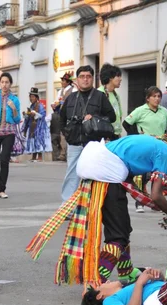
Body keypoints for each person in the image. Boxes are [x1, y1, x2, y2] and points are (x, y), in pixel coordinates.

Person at [27, 134, 167, 287]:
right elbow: (157, 196)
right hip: (107, 178)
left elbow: (132, 180)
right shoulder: (166, 153)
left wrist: (164, 209)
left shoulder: (157, 145)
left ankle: (126, 272)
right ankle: (96, 281)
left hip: (101, 174)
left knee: (123, 228)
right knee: (118, 236)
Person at [59, 65, 117, 202]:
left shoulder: (100, 96)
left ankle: (93, 204)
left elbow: (112, 117)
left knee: (94, 175)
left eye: (88, 77)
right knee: (72, 175)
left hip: (93, 144)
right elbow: (61, 118)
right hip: (74, 143)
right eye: (82, 77)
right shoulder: (71, 98)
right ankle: (67, 206)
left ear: (93, 79)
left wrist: (95, 119)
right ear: (77, 80)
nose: (85, 80)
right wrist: (67, 135)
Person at [22, 87, 52, 162]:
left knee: (38, 140)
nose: (31, 98)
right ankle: (34, 156)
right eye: (30, 96)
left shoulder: (40, 105)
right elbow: (28, 118)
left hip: (39, 127)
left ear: (36, 97)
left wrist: (35, 114)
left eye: (32, 97)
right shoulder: (31, 106)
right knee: (33, 140)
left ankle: (40, 157)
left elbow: (42, 115)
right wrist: (26, 115)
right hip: (32, 126)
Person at [50, 72, 74, 161]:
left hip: (69, 114)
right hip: (61, 114)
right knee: (62, 133)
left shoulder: (73, 90)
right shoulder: (60, 91)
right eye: (62, 80)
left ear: (68, 82)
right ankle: (63, 153)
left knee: (67, 133)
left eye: (64, 81)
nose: (62, 82)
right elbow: (56, 101)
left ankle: (65, 154)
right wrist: (54, 104)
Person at [98, 64, 123, 137]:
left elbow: (120, 115)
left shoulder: (116, 95)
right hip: (105, 136)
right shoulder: (99, 93)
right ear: (110, 78)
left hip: (116, 135)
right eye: (118, 76)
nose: (120, 79)